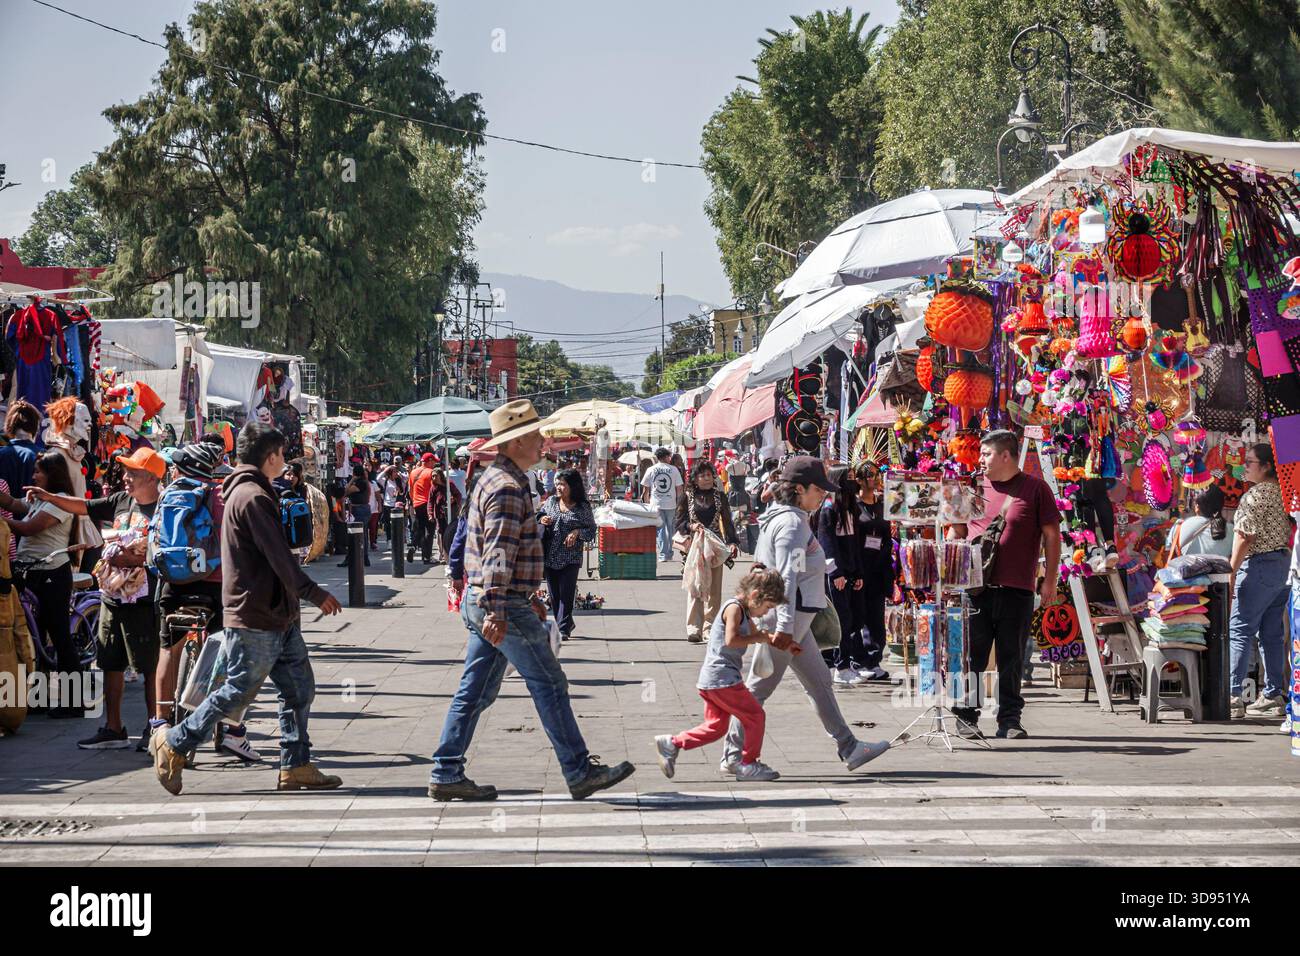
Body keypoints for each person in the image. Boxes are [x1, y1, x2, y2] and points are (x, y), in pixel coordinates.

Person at [430, 400, 635, 802]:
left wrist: (522, 596)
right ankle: (578, 770)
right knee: (550, 682)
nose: (542, 441)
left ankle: (446, 769)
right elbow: (499, 554)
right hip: (499, 601)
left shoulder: (495, 479)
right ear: (518, 441)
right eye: (536, 436)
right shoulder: (507, 487)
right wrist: (499, 609)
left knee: (476, 691)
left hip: (492, 598)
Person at [151, 422, 343, 795]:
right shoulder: (253, 496)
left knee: (299, 688)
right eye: (282, 455)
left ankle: (296, 763)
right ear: (270, 457)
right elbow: (278, 558)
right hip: (256, 614)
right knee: (237, 689)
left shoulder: (249, 490)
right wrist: (313, 592)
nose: (285, 461)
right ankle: (176, 741)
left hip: (276, 613)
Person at [720, 456, 891, 774]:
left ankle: (849, 746)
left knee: (820, 682)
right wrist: (784, 627)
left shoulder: (784, 519)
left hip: (796, 619)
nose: (823, 495)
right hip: (789, 618)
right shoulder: (793, 524)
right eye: (818, 489)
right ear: (799, 489)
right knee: (759, 688)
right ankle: (733, 756)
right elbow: (787, 576)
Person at [19, 448, 168, 741]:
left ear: (151, 478)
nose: (125, 478)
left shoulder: (164, 506)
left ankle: (154, 728)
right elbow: (83, 506)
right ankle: (114, 727)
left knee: (149, 665)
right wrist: (50, 497)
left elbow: (167, 550)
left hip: (144, 600)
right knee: (109, 661)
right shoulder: (121, 500)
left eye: (133, 474)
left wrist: (139, 560)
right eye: (127, 472)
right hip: (112, 596)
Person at [152, 442, 259, 761]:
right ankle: (234, 733)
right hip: (217, 588)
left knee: (168, 650)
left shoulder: (170, 493)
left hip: (175, 585)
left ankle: (158, 725)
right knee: (237, 655)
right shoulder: (224, 496)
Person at [954, 429, 1062, 740]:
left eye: (986, 454)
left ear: (1005, 455)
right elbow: (957, 531)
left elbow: (1052, 537)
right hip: (975, 590)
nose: (981, 460)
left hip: (1018, 588)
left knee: (1011, 657)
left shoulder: (1036, 489)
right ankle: (966, 717)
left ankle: (1009, 720)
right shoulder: (972, 488)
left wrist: (1049, 581)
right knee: (971, 656)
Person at [654, 566, 790, 781]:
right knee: (755, 716)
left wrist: (784, 644)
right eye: (767, 607)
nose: (766, 612)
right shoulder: (734, 608)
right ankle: (748, 764)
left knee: (716, 727)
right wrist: (758, 638)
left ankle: (672, 743)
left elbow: (761, 635)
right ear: (755, 595)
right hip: (723, 679)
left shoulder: (745, 611)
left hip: (712, 680)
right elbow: (731, 640)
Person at [0, 452, 79, 716]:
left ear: (52, 475)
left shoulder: (62, 502)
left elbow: (30, 528)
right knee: (36, 638)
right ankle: (38, 699)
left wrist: (2, 523)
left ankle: (73, 704)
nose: (33, 477)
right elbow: (12, 502)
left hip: (52, 574)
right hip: (31, 573)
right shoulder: (38, 499)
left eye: (38, 472)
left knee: (59, 637)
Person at [1228, 443, 1294, 719]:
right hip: (1282, 566)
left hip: (1259, 565)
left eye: (1251, 461)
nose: (1245, 466)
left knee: (1240, 629)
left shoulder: (1255, 495)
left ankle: (1232, 695)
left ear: (1266, 466)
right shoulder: (1284, 493)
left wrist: (1231, 571)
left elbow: (1245, 536)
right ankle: (1273, 694)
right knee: (1271, 635)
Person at [813, 466, 874, 686]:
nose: (853, 482)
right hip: (836, 573)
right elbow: (826, 543)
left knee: (854, 617)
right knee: (842, 619)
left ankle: (851, 662)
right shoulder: (829, 509)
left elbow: (855, 545)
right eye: (848, 478)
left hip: (850, 570)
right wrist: (836, 572)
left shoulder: (851, 509)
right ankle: (841, 666)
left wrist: (857, 572)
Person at [676, 459, 738, 642]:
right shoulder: (687, 497)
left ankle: (709, 628)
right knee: (695, 586)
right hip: (695, 547)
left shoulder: (720, 496)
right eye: (702, 475)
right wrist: (690, 525)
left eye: (709, 475)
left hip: (716, 548)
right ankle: (694, 628)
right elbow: (678, 522)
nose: (706, 478)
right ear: (695, 479)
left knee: (714, 590)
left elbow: (728, 522)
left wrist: (733, 542)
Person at [539, 468, 597, 639]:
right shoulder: (551, 501)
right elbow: (539, 515)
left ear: (573, 486)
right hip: (550, 554)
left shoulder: (582, 507)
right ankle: (565, 623)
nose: (559, 487)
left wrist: (578, 532)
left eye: (563, 484)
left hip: (571, 556)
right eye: (557, 483)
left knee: (566, 592)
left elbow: (591, 530)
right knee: (554, 594)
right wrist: (542, 519)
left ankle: (562, 628)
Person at [853, 461, 892, 682]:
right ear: (859, 479)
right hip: (861, 567)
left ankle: (875, 658)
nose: (874, 479)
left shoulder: (882, 505)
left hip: (879, 568)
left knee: (877, 616)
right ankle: (860, 659)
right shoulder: (855, 507)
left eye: (876, 474)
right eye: (869, 476)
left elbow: (886, 535)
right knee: (860, 616)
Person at [1165, 485, 1234, 560]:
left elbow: (1168, 552)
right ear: (1221, 506)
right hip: (1222, 571)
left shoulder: (1179, 526)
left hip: (1186, 570)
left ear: (1197, 506)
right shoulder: (1232, 531)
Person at [642, 447, 684, 562]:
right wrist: (680, 502)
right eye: (669, 456)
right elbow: (679, 488)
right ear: (665, 457)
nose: (670, 459)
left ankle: (663, 554)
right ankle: (668, 553)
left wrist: (646, 503)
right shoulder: (674, 469)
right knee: (670, 528)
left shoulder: (651, 469)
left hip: (656, 503)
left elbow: (645, 489)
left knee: (661, 528)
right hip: (671, 503)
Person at [0, 400, 40, 498]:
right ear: (35, 426)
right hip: (35, 512)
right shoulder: (44, 455)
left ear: (10, 425)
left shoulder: (2, 454)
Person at [428, 465, 462, 563]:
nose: (434, 478)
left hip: (451, 512)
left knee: (451, 532)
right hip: (440, 514)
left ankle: (452, 553)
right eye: (433, 476)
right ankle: (443, 554)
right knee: (441, 533)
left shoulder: (449, 484)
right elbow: (430, 502)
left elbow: (458, 494)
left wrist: (454, 500)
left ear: (440, 475)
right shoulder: (433, 488)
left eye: (436, 476)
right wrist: (430, 514)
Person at [407, 452, 436, 563]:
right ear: (429, 461)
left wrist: (414, 502)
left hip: (417, 504)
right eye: (433, 461)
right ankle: (426, 557)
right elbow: (434, 489)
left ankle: (413, 546)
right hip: (428, 504)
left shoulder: (413, 472)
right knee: (429, 530)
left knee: (420, 528)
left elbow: (410, 490)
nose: (434, 464)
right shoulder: (431, 473)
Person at [341, 464, 371, 567]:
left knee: (354, 534)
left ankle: (351, 558)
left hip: (359, 509)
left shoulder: (359, 483)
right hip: (363, 509)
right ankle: (364, 558)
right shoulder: (364, 482)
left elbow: (346, 491)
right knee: (363, 535)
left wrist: (351, 480)